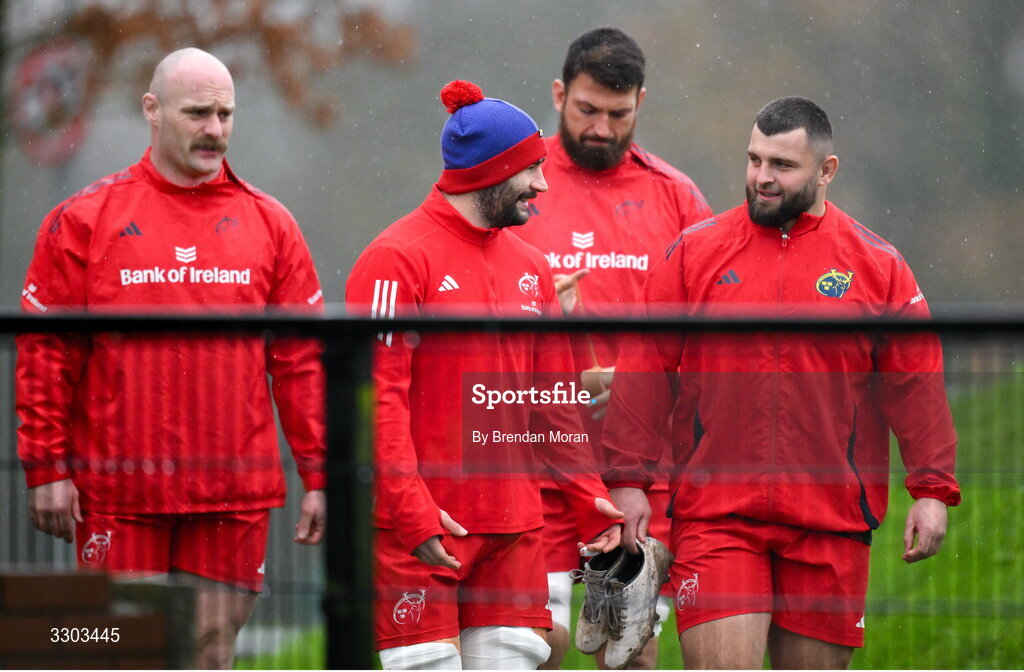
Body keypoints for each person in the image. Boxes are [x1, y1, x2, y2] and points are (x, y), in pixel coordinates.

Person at [600, 96, 961, 669]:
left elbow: (915, 384)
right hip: (719, 518)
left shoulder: (879, 265)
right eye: (754, 160)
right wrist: (626, 479)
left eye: (782, 166)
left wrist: (932, 489)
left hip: (831, 522)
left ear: (826, 171)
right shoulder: (696, 253)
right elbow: (645, 369)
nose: (762, 178)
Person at [16, 48, 326, 669]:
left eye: (225, 114)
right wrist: (45, 467)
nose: (215, 129)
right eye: (198, 113)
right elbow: (47, 354)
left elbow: (303, 362)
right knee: (120, 651)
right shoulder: (83, 219)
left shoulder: (272, 224)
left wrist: (320, 474)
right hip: (119, 488)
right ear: (152, 111)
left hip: (232, 490)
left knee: (209, 648)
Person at [346, 79, 623, 670]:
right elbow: (376, 402)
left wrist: (589, 498)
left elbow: (554, 405)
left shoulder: (532, 266)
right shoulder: (393, 258)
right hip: (421, 533)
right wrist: (411, 512)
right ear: (491, 172)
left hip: (514, 534)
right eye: (531, 170)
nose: (544, 185)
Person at [513, 27, 712, 670]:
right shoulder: (516, 184)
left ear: (641, 105)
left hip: (637, 471)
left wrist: (630, 379)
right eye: (586, 110)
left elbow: (706, 336)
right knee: (534, 646)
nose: (601, 128)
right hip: (531, 461)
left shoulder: (676, 199)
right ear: (558, 94)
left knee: (629, 652)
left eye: (618, 115)